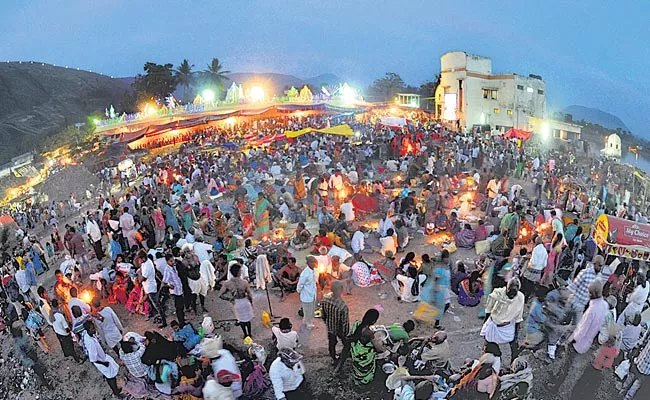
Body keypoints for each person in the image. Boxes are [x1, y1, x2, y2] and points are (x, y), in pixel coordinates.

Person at [480, 278, 525, 361]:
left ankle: (514, 363)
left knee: (514, 346)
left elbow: (518, 318)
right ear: (507, 288)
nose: (511, 296)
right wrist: (486, 325)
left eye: (514, 294)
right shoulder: (496, 294)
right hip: (494, 324)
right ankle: (493, 361)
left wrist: (516, 336)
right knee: (488, 346)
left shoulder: (520, 297)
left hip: (508, 326)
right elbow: (488, 310)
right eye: (510, 292)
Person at [336, 308, 382, 385]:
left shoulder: (357, 324)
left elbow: (352, 337)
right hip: (363, 356)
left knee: (357, 369)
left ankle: (353, 376)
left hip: (355, 352)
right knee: (364, 372)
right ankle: (362, 382)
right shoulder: (369, 333)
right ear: (374, 321)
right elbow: (378, 348)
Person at [81, 320, 122, 396]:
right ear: (88, 330)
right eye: (93, 328)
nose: (95, 329)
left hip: (102, 357)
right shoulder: (91, 343)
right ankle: (116, 391)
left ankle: (112, 385)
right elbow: (93, 359)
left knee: (109, 374)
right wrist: (104, 363)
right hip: (101, 361)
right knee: (111, 377)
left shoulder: (86, 333)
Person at [218, 263, 254, 338]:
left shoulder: (227, 283)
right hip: (245, 301)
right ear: (239, 272)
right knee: (247, 320)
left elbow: (220, 295)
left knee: (241, 320)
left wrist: (230, 299)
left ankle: (245, 334)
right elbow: (249, 294)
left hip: (236, 302)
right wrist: (251, 302)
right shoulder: (244, 282)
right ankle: (249, 334)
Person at [321, 280, 350, 365]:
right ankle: (346, 354)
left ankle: (334, 357)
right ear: (340, 290)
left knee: (332, 343)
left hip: (330, 327)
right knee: (346, 342)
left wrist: (328, 323)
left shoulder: (325, 300)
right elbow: (345, 323)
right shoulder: (343, 306)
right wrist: (345, 333)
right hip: (340, 329)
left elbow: (323, 315)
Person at [50, 298, 82, 363]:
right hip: (64, 334)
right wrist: (70, 332)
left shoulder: (51, 313)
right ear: (57, 305)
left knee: (63, 344)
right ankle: (78, 360)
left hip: (58, 332)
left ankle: (66, 354)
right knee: (71, 346)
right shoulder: (59, 316)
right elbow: (66, 328)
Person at [140, 251, 166, 328]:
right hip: (149, 286)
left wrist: (138, 279)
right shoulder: (146, 262)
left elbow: (143, 278)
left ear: (143, 258)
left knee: (156, 304)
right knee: (153, 303)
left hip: (150, 287)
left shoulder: (147, 265)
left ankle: (163, 321)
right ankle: (159, 315)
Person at [162, 253, 186, 326]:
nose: (173, 262)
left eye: (173, 261)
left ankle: (183, 320)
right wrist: (170, 286)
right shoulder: (167, 270)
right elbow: (164, 282)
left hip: (180, 289)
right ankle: (181, 323)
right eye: (171, 261)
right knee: (179, 308)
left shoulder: (173, 267)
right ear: (167, 261)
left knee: (181, 307)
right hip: (176, 292)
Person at [297, 256, 317, 330]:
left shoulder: (313, 270)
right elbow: (300, 285)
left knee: (311, 310)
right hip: (306, 296)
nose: (313, 263)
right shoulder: (305, 274)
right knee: (307, 311)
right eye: (311, 262)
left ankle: (306, 321)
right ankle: (308, 324)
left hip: (312, 294)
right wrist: (299, 291)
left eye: (314, 262)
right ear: (308, 263)